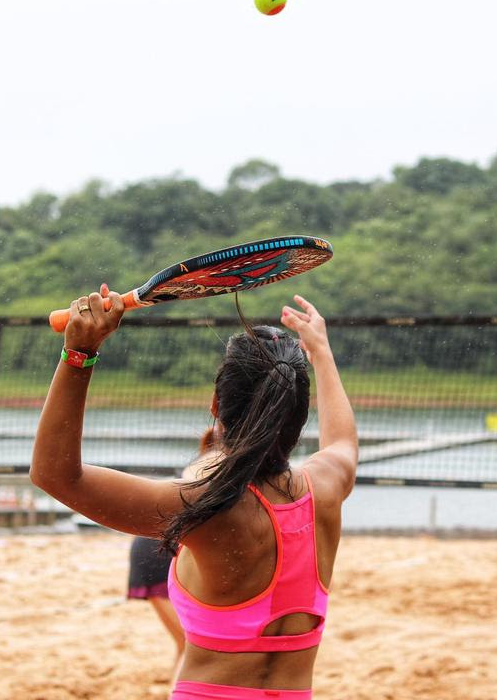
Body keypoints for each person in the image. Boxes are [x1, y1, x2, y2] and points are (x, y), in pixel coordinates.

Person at [31, 285, 358, 700]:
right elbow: (343, 442)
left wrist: (79, 354)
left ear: (215, 406)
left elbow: (55, 476)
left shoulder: (210, 506)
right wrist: (323, 356)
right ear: (298, 414)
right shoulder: (327, 484)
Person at [126, 428, 222, 683]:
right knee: (191, 645)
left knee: (187, 644)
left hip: (158, 546)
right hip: (158, 551)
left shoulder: (213, 459)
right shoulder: (215, 461)